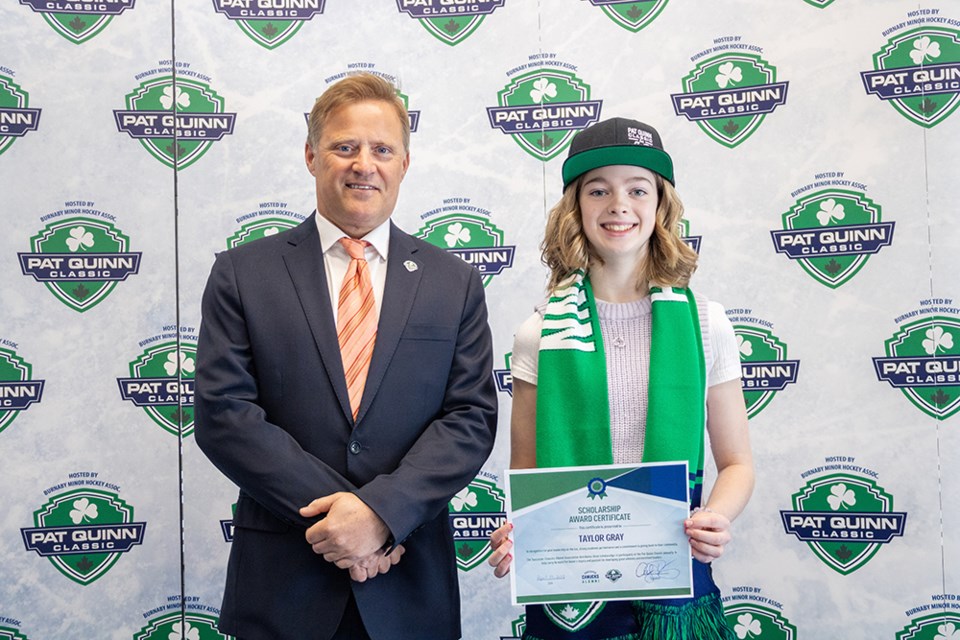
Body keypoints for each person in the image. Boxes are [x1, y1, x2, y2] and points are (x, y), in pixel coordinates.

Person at [194, 72, 498, 640]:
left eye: (382, 149)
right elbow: (224, 415)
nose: (365, 163)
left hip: (409, 582)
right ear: (312, 156)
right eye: (345, 147)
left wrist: (381, 515)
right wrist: (343, 522)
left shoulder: (452, 281)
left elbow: (470, 419)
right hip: (284, 588)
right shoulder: (243, 274)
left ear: (404, 162)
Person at [487, 118, 753, 640]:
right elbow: (527, 472)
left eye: (638, 188)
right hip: (570, 591)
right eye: (598, 189)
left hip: (676, 576)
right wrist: (517, 531)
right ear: (575, 206)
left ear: (661, 205)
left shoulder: (705, 323)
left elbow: (738, 463)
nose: (619, 204)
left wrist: (715, 518)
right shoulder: (537, 333)